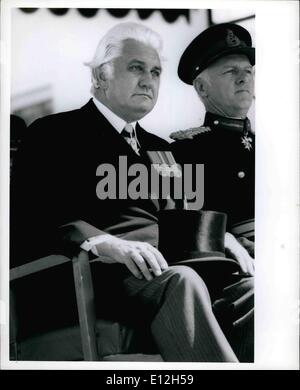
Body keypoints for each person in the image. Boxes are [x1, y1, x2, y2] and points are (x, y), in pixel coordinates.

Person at [11, 22, 253, 362]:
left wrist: (222, 238)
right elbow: (34, 214)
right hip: (94, 276)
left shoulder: (161, 150)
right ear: (99, 77)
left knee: (252, 292)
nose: (148, 80)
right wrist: (105, 243)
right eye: (136, 68)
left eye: (155, 72)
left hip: (165, 270)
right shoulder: (55, 133)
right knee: (181, 281)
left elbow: (182, 214)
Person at [171, 23, 256, 263]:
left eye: (248, 71)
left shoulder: (274, 147)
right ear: (202, 88)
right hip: (236, 268)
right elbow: (185, 228)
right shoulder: (181, 153)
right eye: (231, 72)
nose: (243, 79)